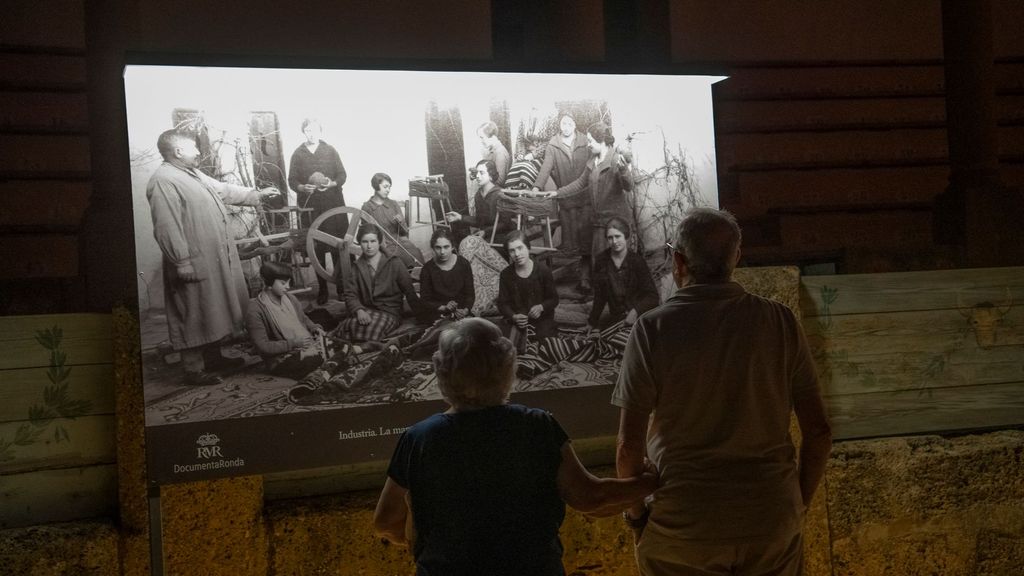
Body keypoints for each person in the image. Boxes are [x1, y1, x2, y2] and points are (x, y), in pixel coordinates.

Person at [613, 208, 833, 576]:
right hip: (770, 517)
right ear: (737, 257)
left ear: (677, 260)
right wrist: (797, 505)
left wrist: (637, 519)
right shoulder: (779, 321)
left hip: (685, 525)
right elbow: (820, 432)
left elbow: (627, 449)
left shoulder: (652, 330)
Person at [373, 318, 658, 575]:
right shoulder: (536, 426)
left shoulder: (419, 438)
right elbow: (589, 497)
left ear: (442, 373)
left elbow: (385, 522)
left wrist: (424, 540)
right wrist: (648, 483)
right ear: (507, 367)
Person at [146, 129, 280, 386]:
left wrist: (256, 195)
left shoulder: (191, 174)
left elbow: (223, 190)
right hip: (192, 261)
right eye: (193, 147)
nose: (198, 152)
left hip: (209, 258)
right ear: (178, 151)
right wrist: (181, 261)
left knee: (212, 309)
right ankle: (194, 369)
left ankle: (214, 357)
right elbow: (166, 226)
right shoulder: (164, 180)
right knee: (193, 311)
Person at [547, 122, 634, 294]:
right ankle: (603, 300)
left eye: (591, 141)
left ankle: (621, 303)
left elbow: (629, 186)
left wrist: (624, 170)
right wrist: (557, 193)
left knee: (618, 264)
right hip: (599, 221)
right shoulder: (592, 161)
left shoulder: (616, 159)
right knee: (600, 264)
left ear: (602, 141)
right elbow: (580, 183)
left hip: (616, 222)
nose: (588, 144)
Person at [287, 118, 348, 305]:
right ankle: (322, 289)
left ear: (320, 131)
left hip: (333, 204)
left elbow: (342, 175)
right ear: (303, 132)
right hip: (311, 207)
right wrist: (301, 187)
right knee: (316, 248)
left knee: (338, 245)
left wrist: (332, 183)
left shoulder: (330, 150)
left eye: (314, 130)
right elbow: (291, 180)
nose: (311, 133)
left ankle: (342, 287)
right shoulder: (298, 154)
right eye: (307, 130)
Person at [245, 261, 326, 378]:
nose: (287, 287)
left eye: (288, 282)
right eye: (283, 283)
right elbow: (263, 346)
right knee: (323, 357)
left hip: (303, 346)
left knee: (340, 346)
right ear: (269, 282)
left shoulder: (290, 298)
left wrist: (314, 328)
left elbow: (303, 318)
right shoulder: (254, 310)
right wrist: (293, 344)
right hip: (280, 359)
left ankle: (328, 364)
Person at [338, 228, 421, 343]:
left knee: (371, 331)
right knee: (348, 326)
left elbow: (410, 292)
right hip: (367, 309)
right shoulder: (357, 266)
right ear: (359, 243)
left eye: (373, 241)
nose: (369, 246)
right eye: (364, 242)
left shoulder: (394, 262)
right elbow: (350, 293)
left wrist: (422, 316)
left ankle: (359, 348)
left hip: (389, 312)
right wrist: (359, 310)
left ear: (379, 242)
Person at [586, 217, 659, 335]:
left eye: (617, 236)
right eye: (610, 238)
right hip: (617, 318)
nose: (614, 242)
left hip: (639, 316)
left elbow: (653, 296)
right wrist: (592, 321)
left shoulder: (637, 261)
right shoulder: (601, 261)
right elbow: (600, 296)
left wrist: (635, 311)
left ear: (625, 236)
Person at [533, 114, 591, 259]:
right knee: (570, 240)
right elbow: (546, 167)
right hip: (565, 195)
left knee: (586, 236)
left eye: (569, 123)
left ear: (575, 124)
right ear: (559, 125)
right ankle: (572, 271)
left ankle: (586, 273)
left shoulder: (585, 141)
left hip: (585, 194)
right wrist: (537, 187)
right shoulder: (553, 145)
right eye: (563, 123)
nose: (566, 127)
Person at [495, 230, 559, 345]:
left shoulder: (543, 270)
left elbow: (554, 299)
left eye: (520, 248)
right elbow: (502, 303)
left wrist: (541, 307)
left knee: (545, 341)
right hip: (517, 321)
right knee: (498, 338)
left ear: (528, 247)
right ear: (508, 253)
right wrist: (514, 316)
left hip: (541, 320)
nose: (517, 254)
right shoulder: (506, 274)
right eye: (512, 250)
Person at [360, 172, 423, 268]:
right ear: (376, 186)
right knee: (399, 260)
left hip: (399, 241)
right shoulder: (367, 207)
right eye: (385, 187)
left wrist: (400, 222)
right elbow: (365, 233)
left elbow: (404, 231)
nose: (388, 190)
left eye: (389, 187)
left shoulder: (393, 204)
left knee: (416, 254)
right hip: (381, 245)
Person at [445, 160, 514, 243]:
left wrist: (486, 232)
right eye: (477, 173)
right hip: (486, 236)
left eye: (481, 173)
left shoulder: (499, 194)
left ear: (491, 175)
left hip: (501, 237)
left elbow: (506, 224)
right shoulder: (478, 195)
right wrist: (460, 217)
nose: (477, 176)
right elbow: (479, 221)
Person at [418, 228, 475, 323]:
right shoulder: (427, 269)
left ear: (452, 247)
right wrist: (444, 308)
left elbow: (470, 294)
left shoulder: (463, 264)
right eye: (438, 247)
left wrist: (465, 310)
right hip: (438, 312)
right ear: (433, 248)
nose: (442, 252)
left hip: (461, 311)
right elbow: (425, 300)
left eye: (446, 247)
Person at [477, 120, 510, 185]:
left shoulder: (500, 153)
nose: (481, 141)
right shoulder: (490, 150)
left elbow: (500, 181)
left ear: (493, 137)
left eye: (482, 138)